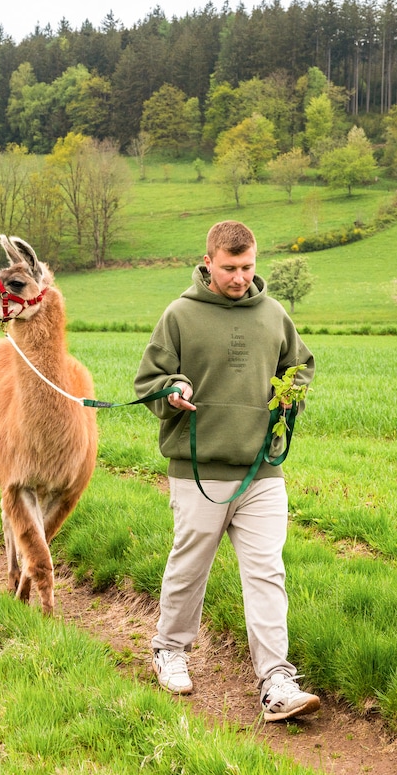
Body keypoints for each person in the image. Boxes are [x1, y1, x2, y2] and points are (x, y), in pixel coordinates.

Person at [133, 220, 320, 722]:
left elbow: (299, 364)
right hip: (198, 469)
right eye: (231, 268)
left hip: (261, 470)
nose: (240, 277)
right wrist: (172, 388)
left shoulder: (274, 314)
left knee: (267, 572)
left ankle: (276, 680)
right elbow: (149, 379)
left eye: (248, 267)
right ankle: (170, 650)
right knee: (189, 565)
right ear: (209, 262)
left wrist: (290, 393)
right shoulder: (179, 315)